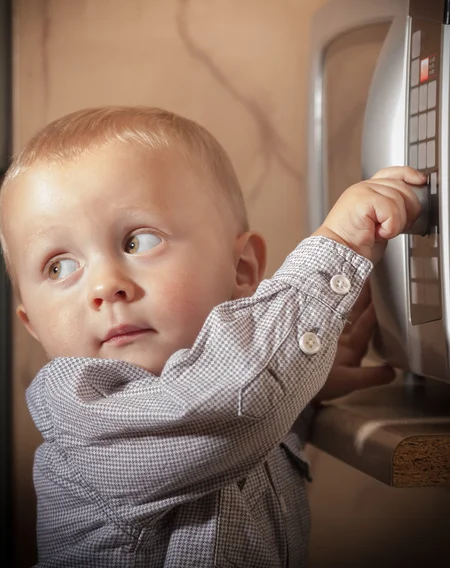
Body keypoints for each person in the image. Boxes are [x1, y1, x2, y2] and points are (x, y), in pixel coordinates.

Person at [0, 106, 425, 568]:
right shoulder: (83, 416)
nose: (104, 287)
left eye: (138, 241)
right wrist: (338, 244)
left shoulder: (222, 401)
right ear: (32, 323)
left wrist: (305, 387)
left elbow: (231, 419)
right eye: (58, 266)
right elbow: (232, 406)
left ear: (240, 269)